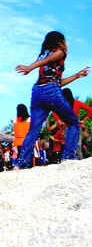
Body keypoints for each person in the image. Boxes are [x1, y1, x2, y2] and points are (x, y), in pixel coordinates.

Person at [14, 31, 90, 168]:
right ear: (60, 42)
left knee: (33, 131)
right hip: (50, 92)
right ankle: (68, 156)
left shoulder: (45, 54)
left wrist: (77, 76)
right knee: (73, 123)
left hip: (37, 92)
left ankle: (22, 163)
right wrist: (29, 67)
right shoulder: (60, 52)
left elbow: (58, 82)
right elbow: (48, 67)